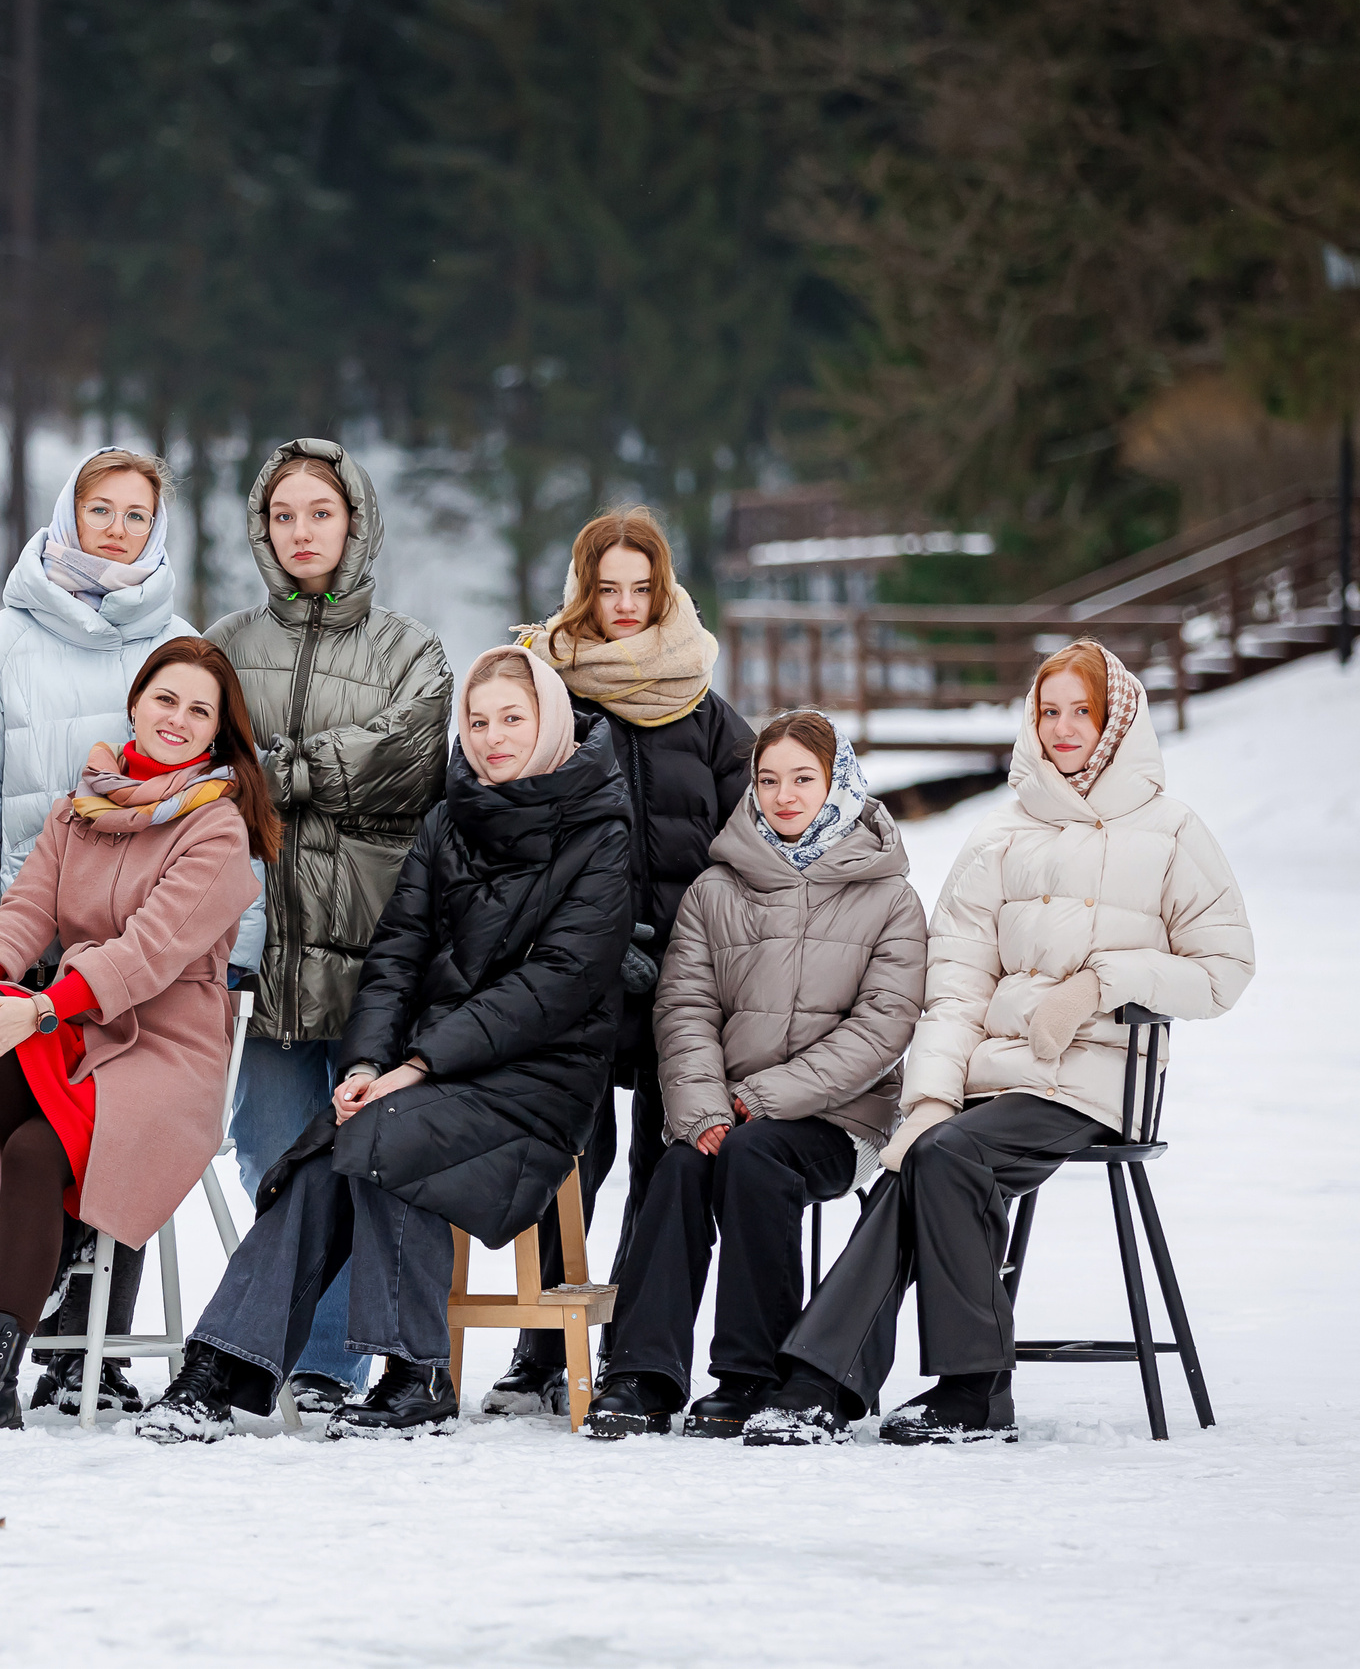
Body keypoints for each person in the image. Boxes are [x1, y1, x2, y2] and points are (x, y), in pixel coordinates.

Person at [747, 642, 1253, 1446]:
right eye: (1047, 711)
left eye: (1079, 710)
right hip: (991, 1084)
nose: (1061, 727)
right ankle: (829, 1384)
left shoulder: (1170, 831)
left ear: (1115, 716)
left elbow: (1225, 970)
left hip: (1093, 1077)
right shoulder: (999, 834)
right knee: (922, 1155)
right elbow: (956, 988)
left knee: (949, 1159)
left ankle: (963, 1390)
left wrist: (1102, 982)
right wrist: (930, 1100)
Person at [138, 646, 630, 1442]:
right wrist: (368, 1062)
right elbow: (395, 953)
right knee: (326, 1141)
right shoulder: (449, 818)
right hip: (425, 1076)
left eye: (514, 718)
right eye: (477, 721)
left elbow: (557, 984)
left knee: (382, 1133)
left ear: (552, 723)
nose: (493, 737)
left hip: (537, 1082)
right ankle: (216, 1365)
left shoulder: (601, 830)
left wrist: (417, 1063)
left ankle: (415, 1371)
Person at [0, 445, 247, 1415]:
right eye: (163, 699)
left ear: (215, 727)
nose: (174, 717)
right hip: (78, 1016)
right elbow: (31, 897)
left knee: (36, 1149)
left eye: (196, 708)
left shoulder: (216, 822)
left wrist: (43, 1006)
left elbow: (150, 952)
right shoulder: (88, 799)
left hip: (164, 1040)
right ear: (136, 703)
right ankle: (41, 1294)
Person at [583, 710, 927, 1439]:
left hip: (839, 1120)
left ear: (840, 783)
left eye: (804, 778)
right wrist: (705, 1106)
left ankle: (750, 1373)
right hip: (728, 1111)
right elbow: (684, 1009)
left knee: (755, 1155)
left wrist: (759, 1099)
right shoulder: (717, 888)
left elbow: (883, 1027)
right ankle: (642, 1373)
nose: (784, 794)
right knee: (677, 1168)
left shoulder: (889, 893)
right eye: (768, 779)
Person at [487, 506, 754, 1416]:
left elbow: (747, 842)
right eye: (610, 589)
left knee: (662, 1159)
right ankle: (544, 1340)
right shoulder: (553, 696)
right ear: (583, 591)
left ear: (667, 588)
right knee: (572, 1149)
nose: (628, 606)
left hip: (685, 974)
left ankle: (638, 1346)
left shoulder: (708, 710)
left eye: (645, 588)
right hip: (583, 967)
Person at [205, 437, 451, 1413]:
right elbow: (200, 759)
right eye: (282, 516)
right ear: (261, 530)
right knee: (267, 1146)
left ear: (355, 522)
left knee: (362, 1151)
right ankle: (286, 1341)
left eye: (320, 512)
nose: (301, 532)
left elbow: (412, 756)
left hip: (373, 949)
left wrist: (281, 775)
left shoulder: (410, 651)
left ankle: (331, 1365)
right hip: (268, 950)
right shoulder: (225, 645)